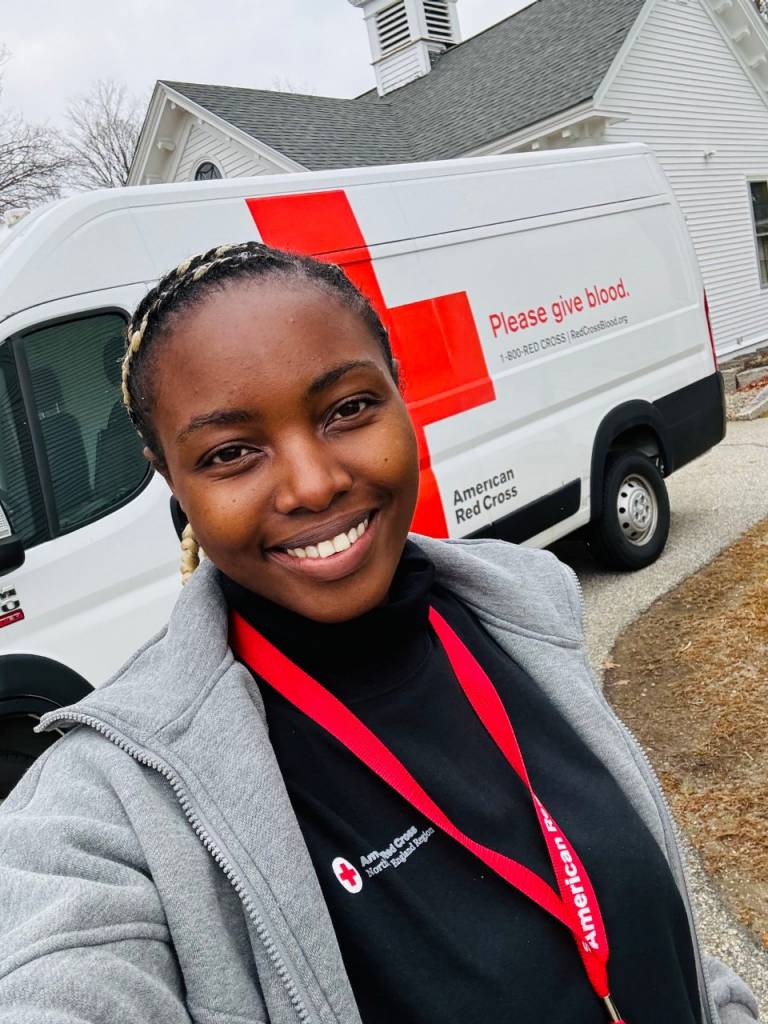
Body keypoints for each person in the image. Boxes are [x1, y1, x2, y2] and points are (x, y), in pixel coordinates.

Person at [0, 242, 758, 1024]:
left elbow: (644, 919)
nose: (314, 482)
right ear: (174, 483)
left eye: (348, 410)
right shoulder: (114, 805)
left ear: (402, 397)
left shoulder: (526, 612)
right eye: (231, 454)